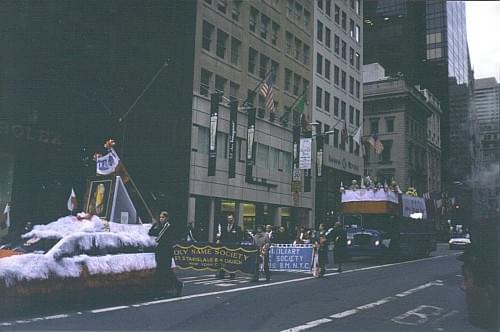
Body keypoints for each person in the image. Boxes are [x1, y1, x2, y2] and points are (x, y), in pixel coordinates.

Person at [148, 211, 183, 297]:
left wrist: (156, 227)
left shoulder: (167, 226)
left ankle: (176, 285)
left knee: (164, 270)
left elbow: (158, 237)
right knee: (162, 271)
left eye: (163, 217)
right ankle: (165, 289)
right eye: (160, 217)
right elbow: (151, 233)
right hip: (161, 250)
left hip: (166, 251)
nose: (161, 219)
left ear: (167, 218)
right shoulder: (161, 226)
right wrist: (154, 225)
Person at [215, 214, 242, 279]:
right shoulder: (223, 227)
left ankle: (232, 274)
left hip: (233, 247)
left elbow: (240, 238)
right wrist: (218, 239)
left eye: (231, 218)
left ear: (233, 219)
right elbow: (221, 235)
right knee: (223, 260)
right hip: (224, 247)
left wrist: (237, 245)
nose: (230, 220)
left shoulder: (237, 228)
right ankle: (222, 274)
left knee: (232, 261)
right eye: (229, 218)